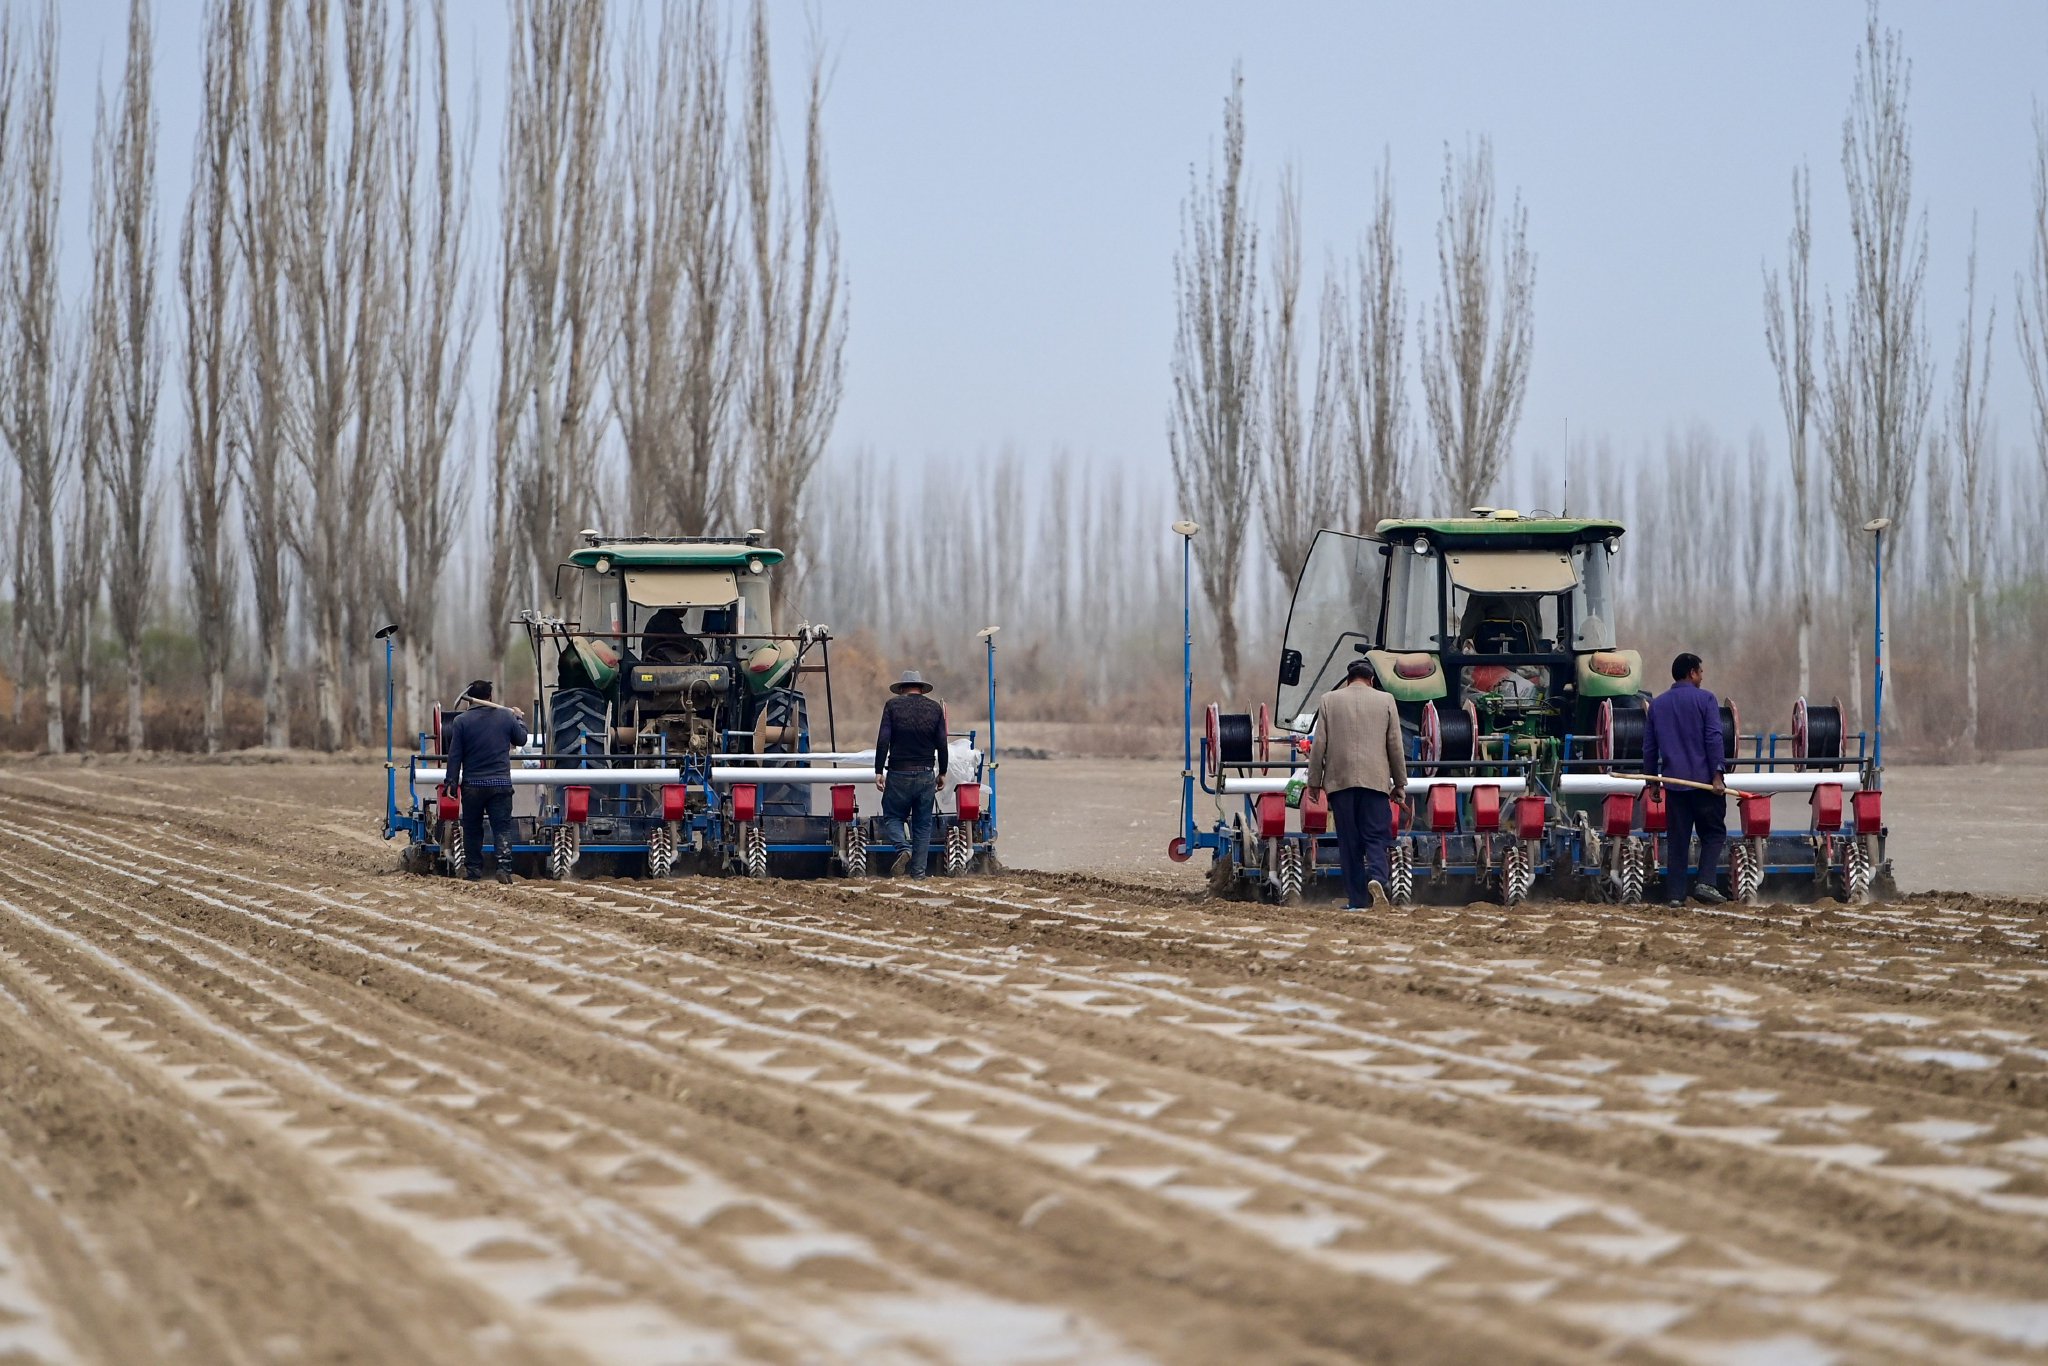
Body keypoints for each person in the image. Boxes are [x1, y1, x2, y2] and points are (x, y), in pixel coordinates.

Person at [1304, 659, 1408, 910]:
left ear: (1348, 679)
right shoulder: (1386, 700)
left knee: (1349, 841)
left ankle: (1357, 901)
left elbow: (1319, 745)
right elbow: (1395, 744)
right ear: (1371, 680)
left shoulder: (1329, 700)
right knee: (1375, 836)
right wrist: (1400, 783)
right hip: (1375, 782)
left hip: (1341, 783)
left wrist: (1314, 783)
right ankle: (1377, 878)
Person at [1642, 652, 1729, 907]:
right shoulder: (1706, 699)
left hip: (1675, 786)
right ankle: (1705, 883)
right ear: (1692, 672)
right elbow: (1714, 737)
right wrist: (1718, 774)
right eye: (1700, 672)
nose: (1702, 677)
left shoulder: (1657, 705)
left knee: (1678, 841)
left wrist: (1653, 782)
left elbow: (1649, 748)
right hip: (1704, 785)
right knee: (1713, 833)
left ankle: (1675, 896)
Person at [443, 679, 529, 884]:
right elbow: (522, 740)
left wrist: (451, 783)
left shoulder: (461, 722)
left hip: (473, 786)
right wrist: (518, 719)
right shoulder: (506, 717)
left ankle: (473, 871)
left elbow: (455, 756)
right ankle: (504, 870)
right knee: (502, 828)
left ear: (470, 700)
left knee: (472, 829)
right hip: (500, 785)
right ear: (490, 697)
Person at [874, 670, 948, 877]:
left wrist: (878, 771)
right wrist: (942, 771)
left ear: (901, 689)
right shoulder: (934, 709)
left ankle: (903, 848)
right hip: (926, 774)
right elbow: (942, 743)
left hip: (899, 773)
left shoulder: (892, 706)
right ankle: (918, 874)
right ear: (921, 688)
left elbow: (883, 741)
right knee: (923, 826)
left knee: (892, 817)